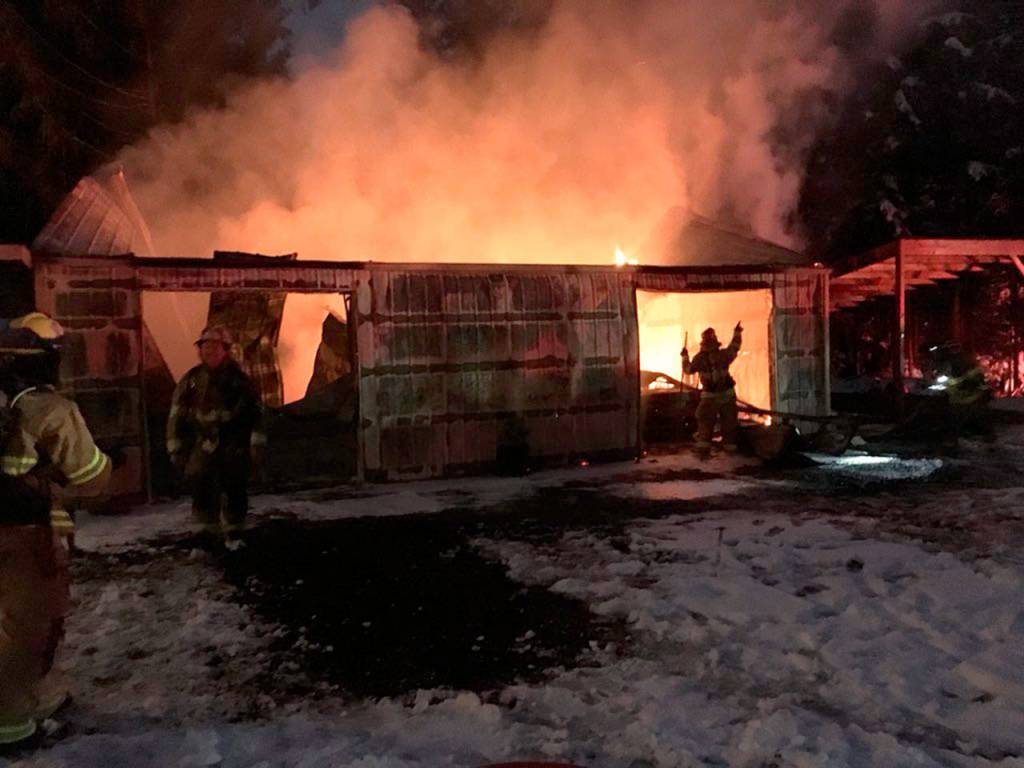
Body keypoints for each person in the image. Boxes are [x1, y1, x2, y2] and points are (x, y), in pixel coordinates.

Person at [0, 312, 112, 749]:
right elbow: (91, 479)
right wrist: (110, 463)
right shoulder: (51, 409)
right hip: (25, 538)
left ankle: (33, 697)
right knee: (24, 630)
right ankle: (12, 729)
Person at [167, 325, 265, 547]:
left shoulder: (241, 382)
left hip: (233, 448)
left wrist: (255, 450)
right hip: (202, 449)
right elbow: (177, 417)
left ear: (226, 349)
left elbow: (257, 417)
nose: (208, 351)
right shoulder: (191, 380)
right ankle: (205, 539)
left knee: (234, 491)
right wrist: (176, 450)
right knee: (202, 492)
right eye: (204, 346)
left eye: (214, 346)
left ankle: (234, 536)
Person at [682, 323, 743, 460]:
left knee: (705, 423)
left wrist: (685, 356)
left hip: (709, 398)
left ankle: (703, 452)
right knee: (729, 423)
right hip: (727, 395)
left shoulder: (699, 359)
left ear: (703, 342)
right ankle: (731, 453)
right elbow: (735, 347)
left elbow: (688, 370)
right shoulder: (723, 355)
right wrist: (737, 332)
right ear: (715, 340)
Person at [926, 341, 992, 450]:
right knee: (963, 418)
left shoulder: (960, 361)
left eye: (953, 348)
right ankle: (985, 437)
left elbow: (974, 378)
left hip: (965, 396)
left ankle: (953, 440)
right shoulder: (958, 361)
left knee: (958, 418)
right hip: (964, 396)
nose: (952, 351)